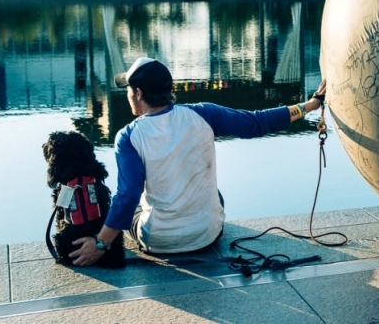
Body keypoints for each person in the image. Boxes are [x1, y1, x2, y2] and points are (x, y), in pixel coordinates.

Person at [69, 57, 325, 266]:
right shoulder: (203, 114)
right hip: (207, 236)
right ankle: (196, 221)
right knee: (216, 195)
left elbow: (128, 195)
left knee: (134, 207)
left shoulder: (128, 136)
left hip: (159, 242)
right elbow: (258, 122)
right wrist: (310, 105)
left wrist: (101, 244)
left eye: (128, 90)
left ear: (138, 93)